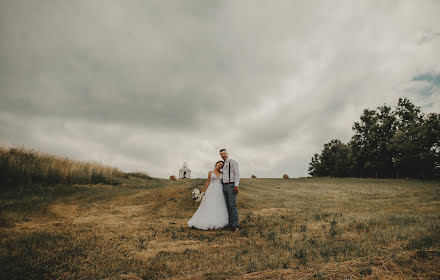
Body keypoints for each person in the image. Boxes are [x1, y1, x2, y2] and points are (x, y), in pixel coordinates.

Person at [187, 161, 229, 230]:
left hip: (220, 191)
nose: (220, 165)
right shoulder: (210, 172)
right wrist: (203, 192)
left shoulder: (222, 173)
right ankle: (205, 221)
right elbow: (207, 182)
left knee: (219, 205)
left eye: (222, 165)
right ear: (216, 164)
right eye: (219, 164)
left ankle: (219, 221)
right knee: (209, 204)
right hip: (211, 190)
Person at [219, 148, 240, 232]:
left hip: (231, 185)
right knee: (227, 206)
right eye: (221, 154)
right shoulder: (223, 164)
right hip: (224, 186)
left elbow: (237, 174)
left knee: (232, 205)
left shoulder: (232, 161)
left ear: (227, 153)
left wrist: (236, 186)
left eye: (224, 153)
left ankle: (235, 225)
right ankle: (230, 224)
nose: (223, 155)